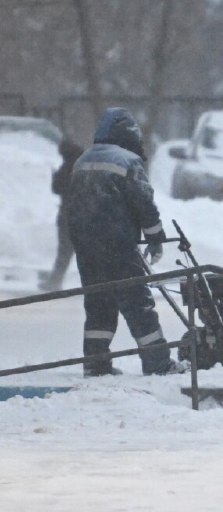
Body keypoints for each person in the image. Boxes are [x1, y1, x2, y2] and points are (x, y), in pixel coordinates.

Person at [67, 107, 185, 376]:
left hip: (86, 248)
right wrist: (155, 237)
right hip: (117, 247)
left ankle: (96, 364)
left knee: (98, 304)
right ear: (129, 136)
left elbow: (73, 205)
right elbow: (143, 202)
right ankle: (158, 363)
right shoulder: (127, 161)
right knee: (138, 303)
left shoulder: (83, 160)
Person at [39, 139, 84, 292]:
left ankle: (55, 280)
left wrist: (55, 176)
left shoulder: (67, 167)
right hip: (85, 214)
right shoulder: (85, 165)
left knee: (64, 250)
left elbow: (57, 188)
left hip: (68, 214)